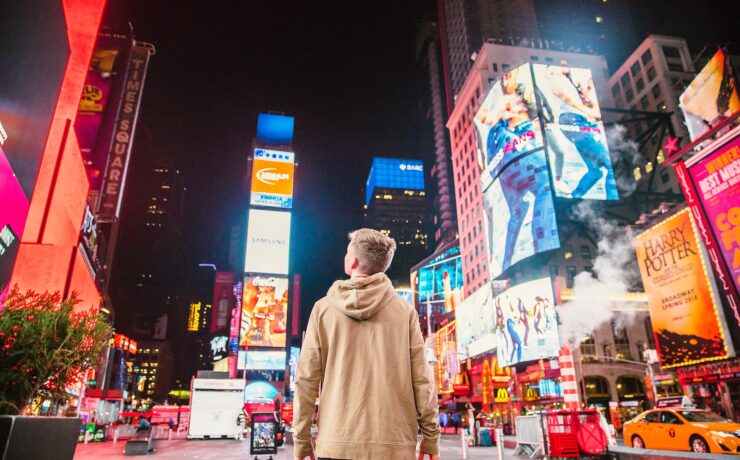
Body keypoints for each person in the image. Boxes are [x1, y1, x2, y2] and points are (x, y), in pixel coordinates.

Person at [293, 229, 440, 460]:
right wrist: (431, 440)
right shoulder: (405, 312)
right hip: (394, 447)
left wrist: (302, 441)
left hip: (335, 445)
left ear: (352, 261)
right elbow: (422, 380)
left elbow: (306, 380)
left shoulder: (323, 309)